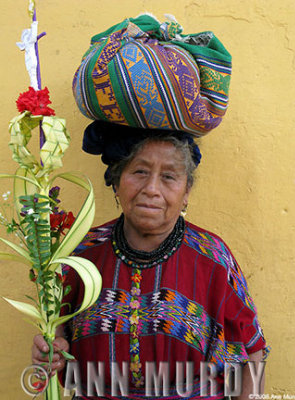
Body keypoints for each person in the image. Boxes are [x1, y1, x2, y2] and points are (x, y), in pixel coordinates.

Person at [32, 14, 268, 399]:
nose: (152, 189)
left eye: (170, 177)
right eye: (139, 171)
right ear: (116, 180)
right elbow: (55, 330)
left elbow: (253, 351)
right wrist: (49, 351)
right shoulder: (82, 255)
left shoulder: (213, 258)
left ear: (187, 190)